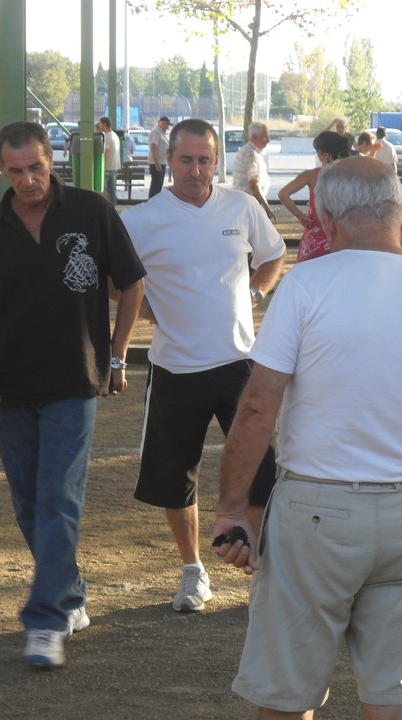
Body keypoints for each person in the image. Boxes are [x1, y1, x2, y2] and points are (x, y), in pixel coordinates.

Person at [212, 155, 402, 719]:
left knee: (287, 695)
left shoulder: (305, 286)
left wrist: (231, 508)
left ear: (326, 222)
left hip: (314, 513)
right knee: (396, 701)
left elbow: (256, 408)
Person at [0, 121, 146, 668]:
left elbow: (132, 282)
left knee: (58, 496)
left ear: (51, 160)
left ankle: (47, 619)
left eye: (36, 167)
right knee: (30, 505)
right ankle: (70, 595)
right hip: (8, 386)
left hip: (74, 380)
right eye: (16, 171)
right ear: (0, 171)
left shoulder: (91, 211)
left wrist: (117, 354)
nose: (29, 179)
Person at [120, 118, 286, 614]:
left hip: (241, 364)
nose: (196, 170)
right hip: (175, 369)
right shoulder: (141, 220)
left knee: (261, 470)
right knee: (176, 479)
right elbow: (116, 279)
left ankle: (262, 571)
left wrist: (256, 292)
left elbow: (273, 256)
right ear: (168, 160)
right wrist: (147, 310)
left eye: (205, 160)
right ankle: (193, 571)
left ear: (217, 161)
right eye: (186, 160)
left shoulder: (241, 206)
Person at [277, 131, 352, 262]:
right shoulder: (352, 175)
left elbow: (283, 194)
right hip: (344, 235)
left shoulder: (311, 176)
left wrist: (300, 215)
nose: (317, 155)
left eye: (318, 151)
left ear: (326, 155)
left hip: (316, 236)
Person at [232, 121, 276, 221]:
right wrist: (267, 207)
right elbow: (253, 184)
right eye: (265, 137)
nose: (268, 140)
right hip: (247, 204)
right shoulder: (250, 154)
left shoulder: (251, 152)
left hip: (246, 203)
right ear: (254, 137)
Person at [98, 116, 121, 206]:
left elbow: (106, 153)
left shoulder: (107, 136)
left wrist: (102, 168)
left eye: (100, 123)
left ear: (104, 124)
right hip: (114, 166)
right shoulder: (114, 135)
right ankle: (112, 206)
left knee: (104, 189)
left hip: (108, 166)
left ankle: (107, 207)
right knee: (112, 189)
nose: (99, 125)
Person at [147, 116, 171, 198]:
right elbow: (153, 148)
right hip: (157, 163)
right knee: (156, 185)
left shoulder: (161, 133)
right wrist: (157, 163)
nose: (168, 127)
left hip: (161, 162)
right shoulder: (156, 132)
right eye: (167, 125)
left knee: (159, 184)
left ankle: (155, 201)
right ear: (162, 123)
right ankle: (152, 202)